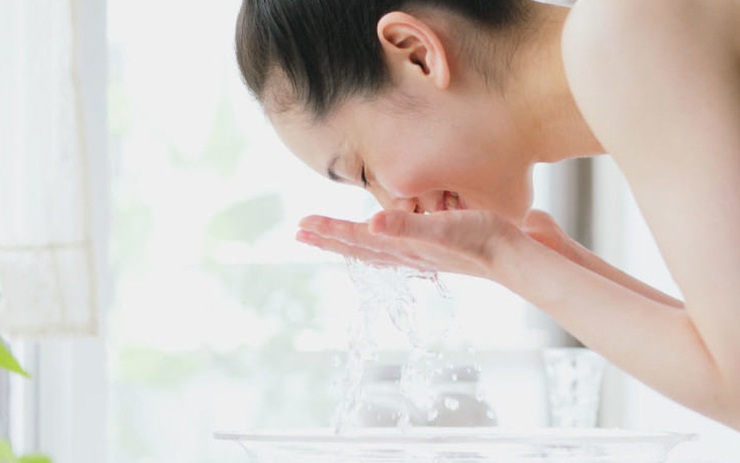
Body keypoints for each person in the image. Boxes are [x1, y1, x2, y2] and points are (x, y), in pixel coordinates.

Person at [234, 0, 740, 430]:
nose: (394, 207)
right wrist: (551, 261)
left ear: (417, 54)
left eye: (364, 172)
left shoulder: (623, 31)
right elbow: (723, 353)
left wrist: (504, 256)